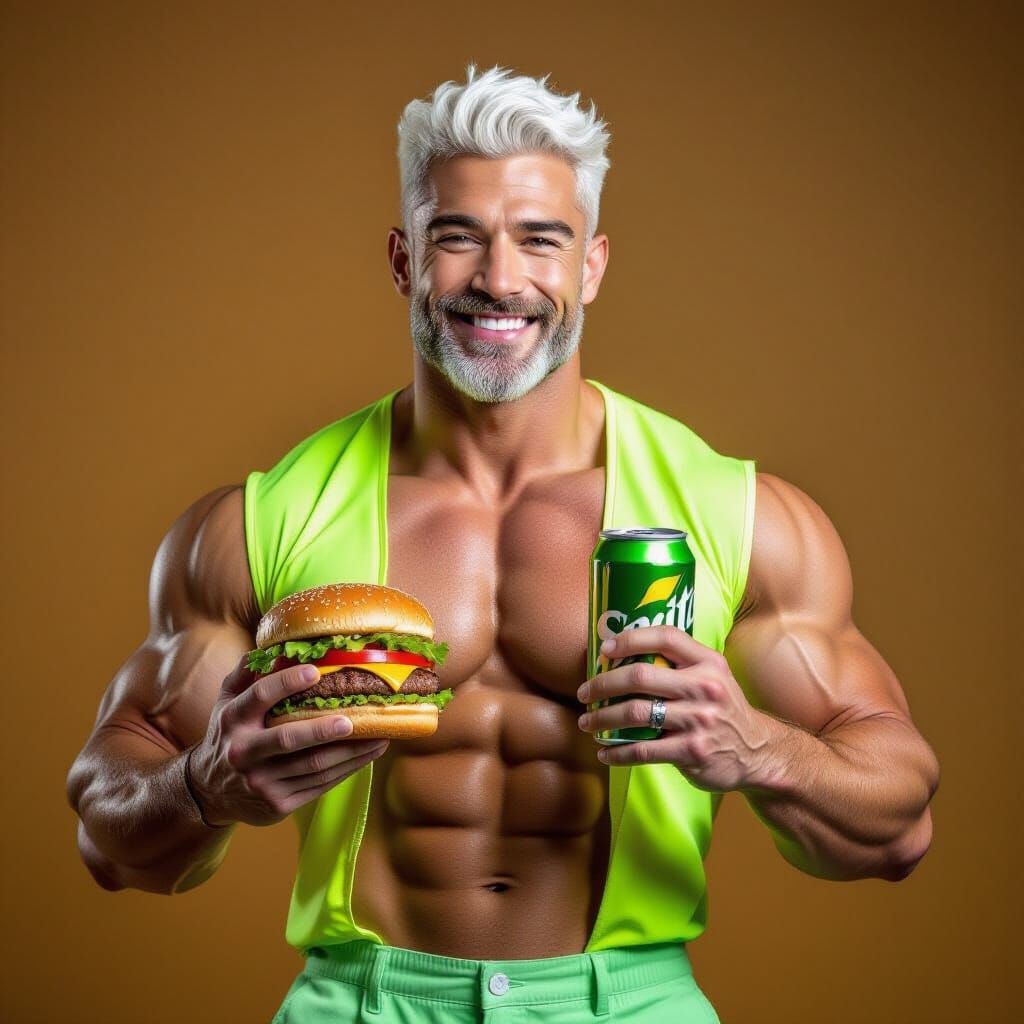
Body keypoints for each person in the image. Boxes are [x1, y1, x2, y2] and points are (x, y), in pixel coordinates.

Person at [66, 64, 940, 1024]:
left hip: (629, 1004)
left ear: (590, 267)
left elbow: (899, 826)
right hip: (362, 1004)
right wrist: (206, 784)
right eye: (457, 237)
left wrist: (762, 748)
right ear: (403, 260)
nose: (499, 279)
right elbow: (110, 839)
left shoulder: (736, 516)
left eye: (540, 239)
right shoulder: (262, 523)